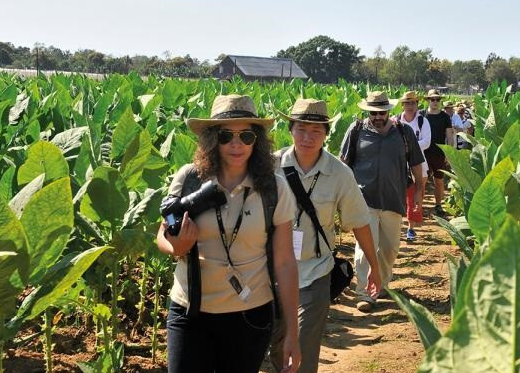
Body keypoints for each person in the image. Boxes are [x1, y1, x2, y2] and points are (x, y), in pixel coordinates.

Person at [157, 94, 302, 373]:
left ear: (256, 140)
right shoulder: (189, 179)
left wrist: (292, 333)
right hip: (190, 311)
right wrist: (175, 247)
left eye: (246, 136)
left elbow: (285, 263)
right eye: (226, 136)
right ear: (213, 138)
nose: (236, 144)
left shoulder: (274, 188)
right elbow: (162, 234)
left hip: (249, 315)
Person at [270, 98, 383, 373]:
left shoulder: (339, 173)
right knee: (277, 345)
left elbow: (360, 223)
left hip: (315, 270)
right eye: (301, 129)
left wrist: (374, 267)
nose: (308, 137)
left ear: (326, 134)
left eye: (316, 131)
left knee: (305, 348)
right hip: (271, 273)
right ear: (290, 130)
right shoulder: (270, 166)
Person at [339, 91, 425, 312]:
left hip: (393, 199)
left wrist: (419, 192)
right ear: (368, 112)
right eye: (373, 113)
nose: (378, 117)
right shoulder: (357, 130)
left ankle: (382, 283)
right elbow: (343, 164)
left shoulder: (403, 132)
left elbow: (416, 162)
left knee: (389, 248)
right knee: (365, 247)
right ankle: (364, 292)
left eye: (382, 112)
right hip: (362, 200)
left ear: (389, 111)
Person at [395, 91, 431, 241]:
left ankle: (411, 228)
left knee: (416, 195)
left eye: (413, 103)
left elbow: (427, 142)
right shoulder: (394, 121)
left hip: (419, 164)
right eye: (407, 103)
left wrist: (408, 146)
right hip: (399, 165)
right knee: (397, 195)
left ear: (417, 104)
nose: (410, 106)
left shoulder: (423, 121)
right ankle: (396, 227)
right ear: (402, 105)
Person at [421, 89, 454, 217]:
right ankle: (420, 205)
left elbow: (450, 136)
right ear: (428, 100)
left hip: (439, 153)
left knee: (438, 180)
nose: (435, 102)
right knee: (422, 181)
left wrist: (449, 153)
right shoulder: (422, 115)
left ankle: (438, 205)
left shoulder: (444, 116)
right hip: (424, 153)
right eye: (432, 99)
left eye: (437, 99)